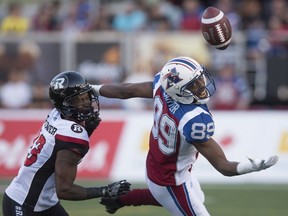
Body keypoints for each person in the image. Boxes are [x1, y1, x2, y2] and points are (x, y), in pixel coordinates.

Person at [90, 56, 278, 215]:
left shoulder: (164, 87)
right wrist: (250, 167)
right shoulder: (193, 119)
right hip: (171, 180)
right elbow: (224, 167)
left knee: (197, 198)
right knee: (179, 200)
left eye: (200, 79)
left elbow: (126, 91)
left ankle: (121, 199)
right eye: (194, 84)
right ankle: (123, 200)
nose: (202, 85)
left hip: (157, 165)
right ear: (179, 90)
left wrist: (92, 89)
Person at [2, 71, 131, 216]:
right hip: (23, 203)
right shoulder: (71, 134)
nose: (86, 103)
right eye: (78, 100)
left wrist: (87, 130)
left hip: (45, 203)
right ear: (65, 104)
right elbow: (64, 190)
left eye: (86, 97)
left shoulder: (56, 115)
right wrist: (105, 190)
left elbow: (59, 148)